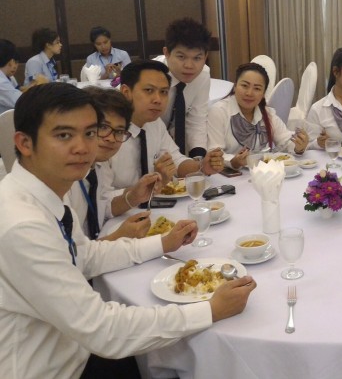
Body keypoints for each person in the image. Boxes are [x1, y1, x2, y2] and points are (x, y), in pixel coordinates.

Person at [0, 83, 256, 378]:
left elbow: (84, 256)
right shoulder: (23, 225)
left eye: (90, 133)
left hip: (73, 349)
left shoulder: (46, 193)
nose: (83, 147)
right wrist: (210, 309)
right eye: (64, 135)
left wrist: (163, 243)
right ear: (25, 143)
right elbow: (103, 330)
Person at [101, 60, 224, 210]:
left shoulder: (154, 123)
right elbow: (101, 201)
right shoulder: (106, 135)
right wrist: (136, 194)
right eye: (149, 90)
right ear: (126, 92)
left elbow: (176, 160)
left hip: (151, 210)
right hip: (118, 217)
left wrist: (202, 166)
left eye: (164, 92)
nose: (158, 100)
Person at [67, 87, 157, 240]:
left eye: (119, 131)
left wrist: (133, 196)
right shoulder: (65, 180)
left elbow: (103, 207)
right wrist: (118, 236)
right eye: (103, 127)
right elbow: (69, 251)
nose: (111, 138)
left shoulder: (99, 165)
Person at [208, 63, 309, 168]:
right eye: (244, 86)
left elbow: (286, 141)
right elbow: (214, 153)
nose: (249, 93)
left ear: (263, 93)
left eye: (257, 88)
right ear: (235, 86)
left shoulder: (267, 113)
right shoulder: (219, 112)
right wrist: (233, 161)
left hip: (262, 172)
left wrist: (299, 146)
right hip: (227, 174)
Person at [154, 18, 212, 158]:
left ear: (206, 56)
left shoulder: (203, 75)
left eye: (197, 58)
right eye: (181, 57)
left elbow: (197, 119)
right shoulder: (151, 75)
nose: (189, 66)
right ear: (167, 53)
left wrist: (198, 157)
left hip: (175, 149)